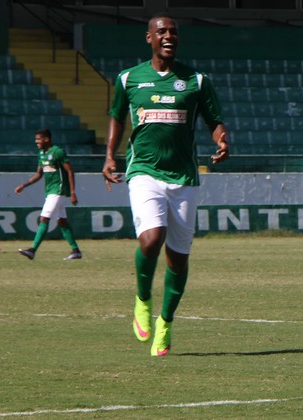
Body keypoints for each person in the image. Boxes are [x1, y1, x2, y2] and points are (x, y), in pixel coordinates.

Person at [102, 14, 229, 357]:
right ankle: (142, 299)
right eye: (162, 31)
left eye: (173, 31)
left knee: (178, 258)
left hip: (185, 178)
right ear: (149, 38)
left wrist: (222, 140)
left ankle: (166, 321)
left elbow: (214, 120)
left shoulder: (197, 81)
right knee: (151, 238)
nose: (169, 35)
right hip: (144, 171)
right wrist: (110, 155)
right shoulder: (129, 79)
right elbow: (115, 116)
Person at [14, 128, 82, 260]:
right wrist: (24, 185)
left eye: (38, 139)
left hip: (59, 189)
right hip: (50, 190)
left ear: (46, 139)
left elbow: (70, 171)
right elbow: (39, 174)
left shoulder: (57, 152)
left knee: (44, 218)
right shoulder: (41, 153)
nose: (36, 142)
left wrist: (73, 192)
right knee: (61, 221)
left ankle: (32, 250)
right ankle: (76, 251)